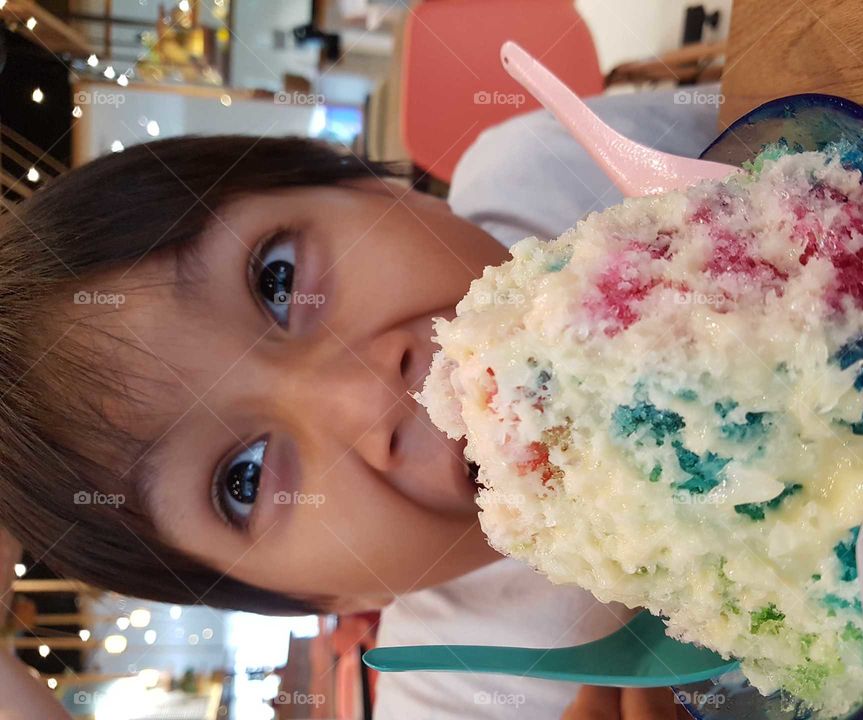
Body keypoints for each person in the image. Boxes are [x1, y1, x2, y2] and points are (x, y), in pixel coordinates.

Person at [0, 85, 720, 718]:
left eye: (278, 282)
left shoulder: (548, 167)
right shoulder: (465, 695)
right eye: (242, 481)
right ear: (326, 600)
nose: (364, 397)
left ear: (371, 186)